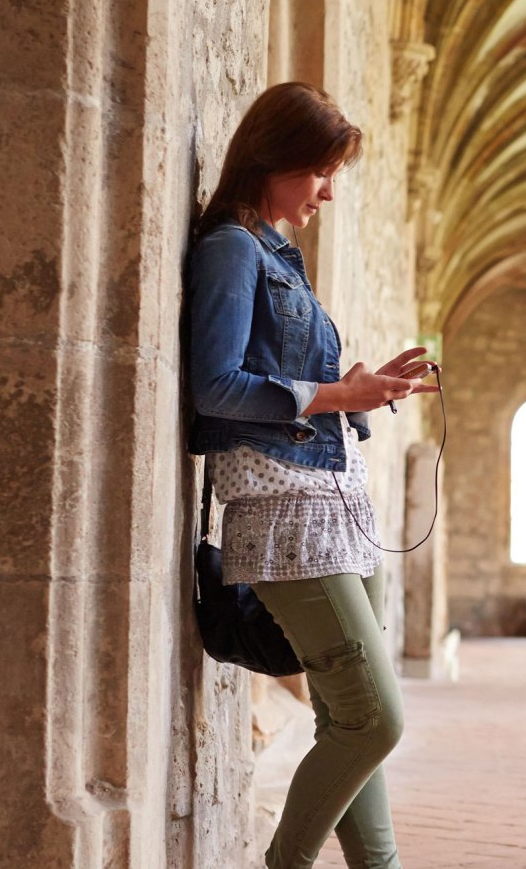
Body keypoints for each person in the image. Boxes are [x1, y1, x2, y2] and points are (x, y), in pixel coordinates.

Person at [185, 81, 437, 869]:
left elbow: (292, 386)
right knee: (376, 721)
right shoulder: (231, 247)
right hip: (285, 515)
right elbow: (213, 385)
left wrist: (363, 388)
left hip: (337, 505)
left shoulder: (278, 254)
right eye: (320, 171)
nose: (328, 190)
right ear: (274, 158)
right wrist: (336, 393)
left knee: (345, 718)